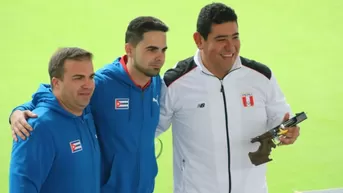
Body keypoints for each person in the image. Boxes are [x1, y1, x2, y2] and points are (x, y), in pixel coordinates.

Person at [9, 16, 168, 193]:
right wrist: (20, 110)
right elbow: (59, 93)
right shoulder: (102, 83)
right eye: (152, 50)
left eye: (163, 50)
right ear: (129, 50)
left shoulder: (155, 84)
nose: (159, 57)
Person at [156, 3, 300, 193]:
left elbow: (280, 119)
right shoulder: (175, 83)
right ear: (199, 40)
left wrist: (288, 131)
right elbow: (150, 129)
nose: (230, 47)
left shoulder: (261, 77)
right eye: (221, 39)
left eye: (235, 37)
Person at [9, 47, 101, 193]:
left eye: (91, 77)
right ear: (56, 83)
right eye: (78, 78)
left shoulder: (86, 114)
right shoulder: (36, 128)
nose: (88, 85)